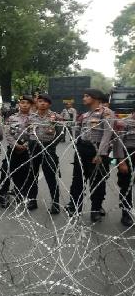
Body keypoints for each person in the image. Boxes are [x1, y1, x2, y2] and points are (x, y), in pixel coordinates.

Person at [65, 88, 115, 222]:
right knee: (78, 180)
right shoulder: (86, 115)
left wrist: (100, 154)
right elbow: (79, 131)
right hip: (83, 149)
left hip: (97, 150)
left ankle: (95, 210)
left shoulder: (106, 113)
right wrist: (77, 146)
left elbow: (107, 134)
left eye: (87, 96)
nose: (84, 98)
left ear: (96, 97)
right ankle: (75, 207)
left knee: (97, 181)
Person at [27, 94, 64, 214]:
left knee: (50, 176)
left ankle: (55, 203)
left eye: (45, 101)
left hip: (48, 148)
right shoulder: (30, 117)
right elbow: (26, 132)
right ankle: (32, 200)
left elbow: (61, 133)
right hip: (34, 147)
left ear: (49, 104)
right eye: (40, 101)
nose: (42, 103)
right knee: (32, 175)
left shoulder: (56, 117)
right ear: (36, 103)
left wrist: (52, 145)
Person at [0, 96, 33, 209]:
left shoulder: (34, 118)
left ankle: (20, 193)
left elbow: (35, 134)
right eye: (22, 102)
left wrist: (25, 145)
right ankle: (3, 194)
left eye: (27, 103)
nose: (24, 105)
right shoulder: (12, 118)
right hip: (13, 148)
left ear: (31, 105)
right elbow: (7, 133)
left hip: (27, 149)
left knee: (23, 172)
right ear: (19, 104)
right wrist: (15, 145)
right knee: (5, 170)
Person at [113, 108, 135, 227]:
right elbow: (118, 143)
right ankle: (126, 214)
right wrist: (121, 161)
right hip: (128, 155)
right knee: (126, 186)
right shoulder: (124, 123)